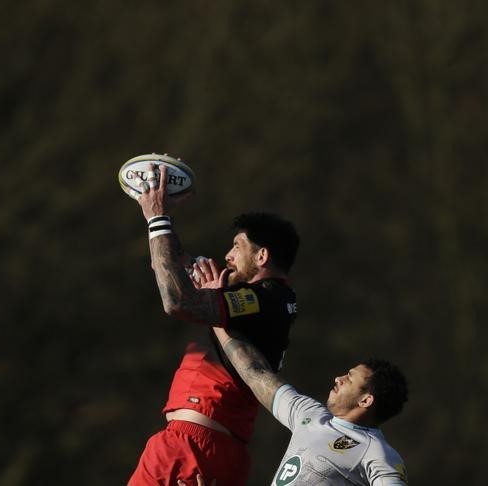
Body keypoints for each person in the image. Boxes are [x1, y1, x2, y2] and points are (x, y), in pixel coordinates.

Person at [127, 164, 300, 486]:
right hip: (215, 448)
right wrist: (161, 214)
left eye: (237, 246)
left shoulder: (263, 299)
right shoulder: (264, 299)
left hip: (192, 445)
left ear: (262, 256)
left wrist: (158, 220)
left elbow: (178, 301)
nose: (228, 255)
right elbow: (172, 266)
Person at [204, 283, 409, 484]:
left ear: (366, 400)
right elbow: (255, 373)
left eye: (349, 378)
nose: (338, 379)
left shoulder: (377, 454)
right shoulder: (309, 414)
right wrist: (216, 313)